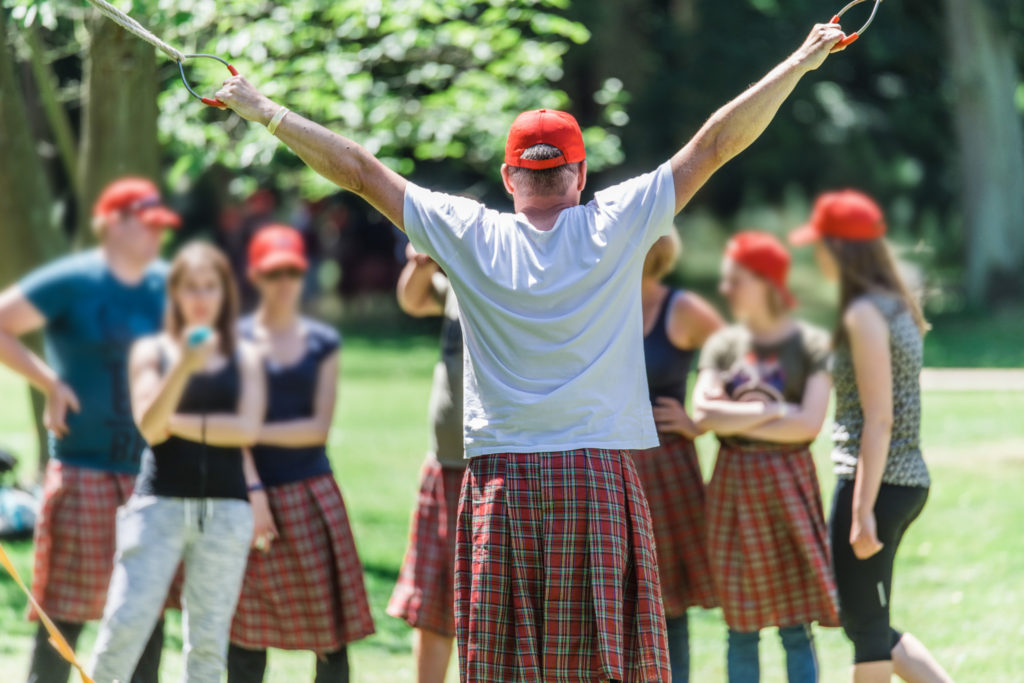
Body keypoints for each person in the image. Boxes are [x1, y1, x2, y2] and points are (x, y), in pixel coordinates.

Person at [213, 23, 848, 680]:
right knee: (607, 667)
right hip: (597, 475)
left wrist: (265, 111)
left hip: (501, 480)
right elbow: (717, 142)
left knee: (508, 668)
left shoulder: (468, 231)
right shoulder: (619, 218)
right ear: (578, 172)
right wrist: (799, 61)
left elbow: (359, 170)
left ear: (510, 175)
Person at [0, 177, 177, 683]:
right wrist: (49, 381)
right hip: (83, 467)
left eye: (158, 228)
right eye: (143, 226)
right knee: (65, 610)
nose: (153, 238)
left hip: (153, 474)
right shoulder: (73, 281)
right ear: (110, 225)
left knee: (147, 610)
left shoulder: (168, 283)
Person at [789, 191, 953, 683]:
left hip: (877, 483)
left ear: (839, 249)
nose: (813, 253)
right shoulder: (895, 302)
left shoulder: (863, 312)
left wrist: (861, 512)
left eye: (819, 243)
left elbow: (879, 418)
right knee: (866, 620)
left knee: (865, 626)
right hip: (899, 479)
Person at [89, 242, 265, 683]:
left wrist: (175, 421)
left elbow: (245, 431)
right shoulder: (151, 351)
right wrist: (185, 365)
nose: (202, 298)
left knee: (207, 644)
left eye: (211, 287)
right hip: (158, 505)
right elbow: (149, 427)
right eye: (192, 288)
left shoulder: (246, 355)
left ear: (225, 294)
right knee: (123, 626)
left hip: (226, 509)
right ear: (175, 295)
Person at [227, 225, 375, 683]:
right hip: (245, 495)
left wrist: (248, 429)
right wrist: (253, 492)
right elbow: (225, 434)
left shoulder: (321, 341)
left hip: (311, 492)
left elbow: (317, 429)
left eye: (292, 271)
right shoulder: (232, 340)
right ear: (256, 276)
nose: (284, 282)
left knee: (331, 639)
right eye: (274, 273)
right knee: (244, 639)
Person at [692, 232, 838, 682]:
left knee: (796, 625)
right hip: (734, 484)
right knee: (740, 625)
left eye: (736, 280)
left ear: (766, 282)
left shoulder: (812, 345)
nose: (726, 290)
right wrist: (772, 408)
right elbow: (703, 412)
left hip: (788, 484)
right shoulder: (724, 345)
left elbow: (809, 424)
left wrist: (736, 417)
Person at [636, 230, 724, 682]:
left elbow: (740, 352)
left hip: (666, 468)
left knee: (667, 601)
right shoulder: (598, 303)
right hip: (609, 463)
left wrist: (700, 420)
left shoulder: (682, 308)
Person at [386, 243, 467, 683]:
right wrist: (421, 263)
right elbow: (412, 300)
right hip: (445, 465)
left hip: (496, 467)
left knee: (495, 603)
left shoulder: (505, 279)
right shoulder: (454, 281)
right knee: (435, 604)